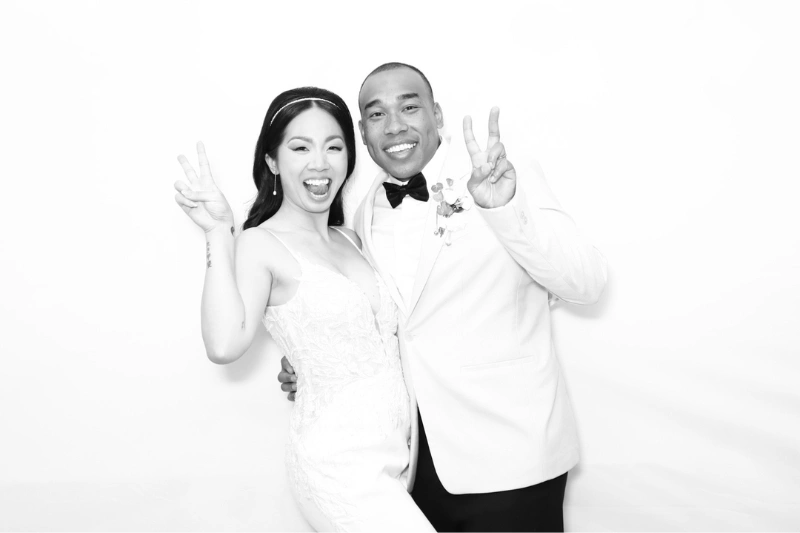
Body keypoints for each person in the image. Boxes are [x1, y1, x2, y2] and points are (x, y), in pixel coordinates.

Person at [278, 63, 608, 532]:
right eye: (376, 114)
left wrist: (505, 210)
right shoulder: (358, 213)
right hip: (411, 470)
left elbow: (587, 282)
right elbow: (385, 322)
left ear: (437, 114)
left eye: (409, 107)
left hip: (511, 456)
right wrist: (315, 358)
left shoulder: (500, 176)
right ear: (363, 134)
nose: (394, 125)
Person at [173, 86, 434, 532]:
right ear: (272, 161)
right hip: (338, 467)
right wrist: (219, 231)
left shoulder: (354, 238)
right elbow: (223, 343)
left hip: (398, 460)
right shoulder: (260, 244)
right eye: (300, 148)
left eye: (334, 147)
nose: (320, 163)